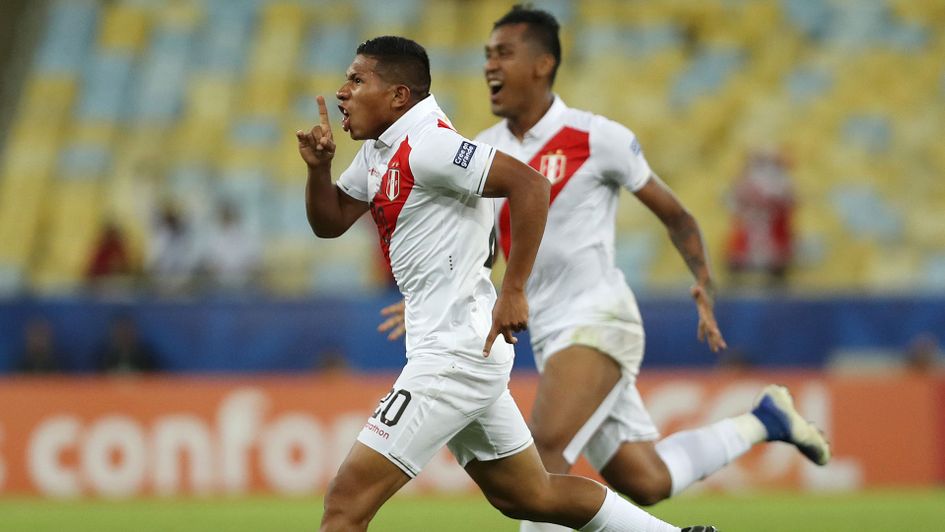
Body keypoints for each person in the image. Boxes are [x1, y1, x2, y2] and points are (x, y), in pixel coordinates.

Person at [380, 6, 830, 530]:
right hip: (548, 332)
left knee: (542, 459)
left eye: (503, 53)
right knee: (646, 479)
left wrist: (703, 284)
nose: (489, 66)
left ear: (542, 63)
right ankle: (765, 420)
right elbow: (484, 250)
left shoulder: (595, 137)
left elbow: (676, 215)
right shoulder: (482, 150)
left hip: (598, 320)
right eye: (486, 55)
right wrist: (437, 299)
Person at [301, 35, 715, 532]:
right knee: (531, 495)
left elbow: (530, 184)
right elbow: (331, 221)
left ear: (398, 96)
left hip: (452, 356)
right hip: (460, 348)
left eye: (357, 80)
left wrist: (514, 289)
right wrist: (319, 170)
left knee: (344, 507)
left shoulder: (430, 144)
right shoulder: (377, 151)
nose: (343, 91)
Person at [725, 148, 796, 284]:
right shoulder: (746, 183)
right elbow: (735, 204)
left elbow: (788, 201)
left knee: (776, 273)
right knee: (738, 269)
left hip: (774, 241)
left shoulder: (782, 183)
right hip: (749, 239)